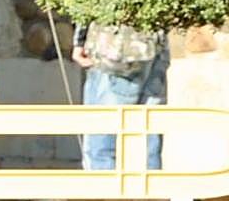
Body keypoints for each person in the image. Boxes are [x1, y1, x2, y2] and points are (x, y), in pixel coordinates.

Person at [71, 21, 169, 169]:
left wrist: (79, 41)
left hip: (114, 51)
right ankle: (151, 191)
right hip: (153, 47)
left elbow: (85, 1)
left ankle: (107, 191)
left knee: (101, 145)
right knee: (147, 142)